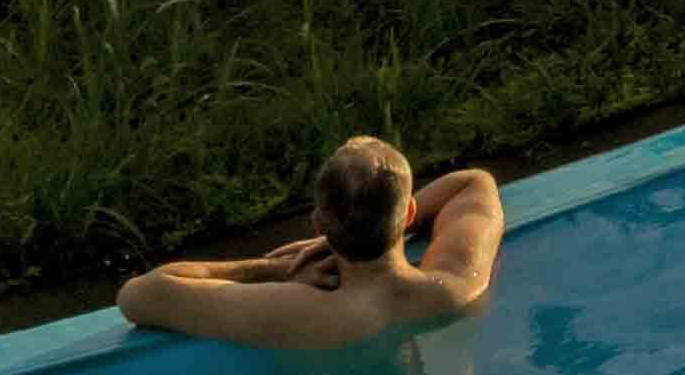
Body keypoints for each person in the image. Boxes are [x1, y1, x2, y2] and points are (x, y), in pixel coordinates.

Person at [115, 138, 506, 352]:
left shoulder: (292, 312)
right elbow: (474, 182)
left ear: (319, 224)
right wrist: (385, 221)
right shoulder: (456, 283)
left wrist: (272, 269)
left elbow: (136, 296)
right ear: (409, 215)